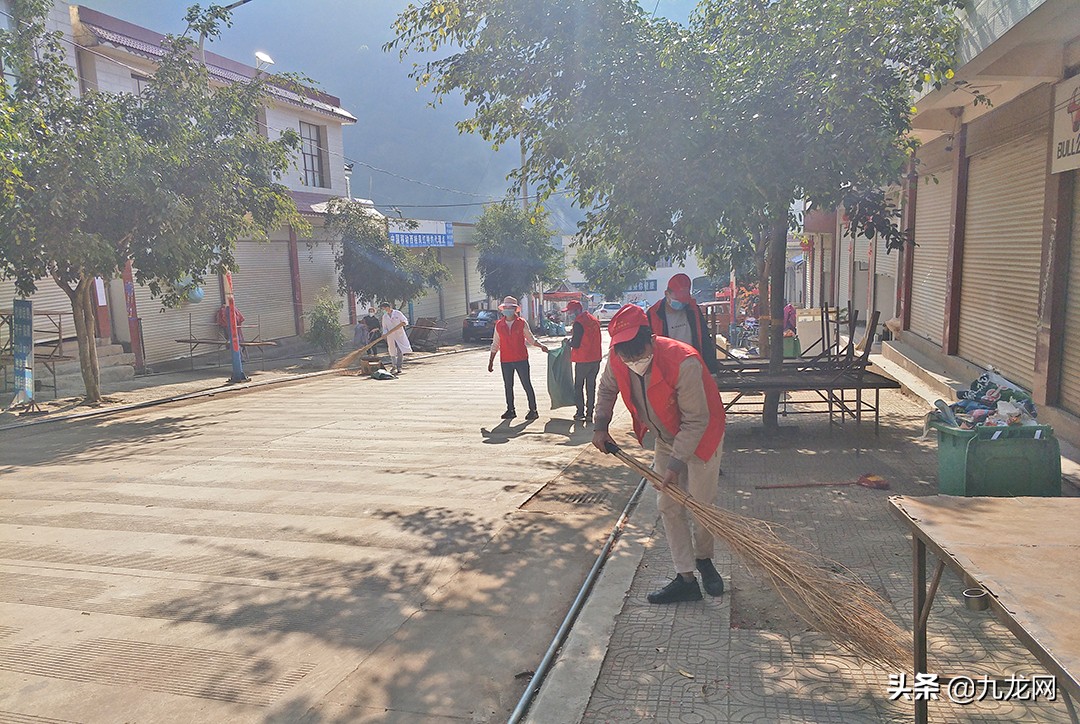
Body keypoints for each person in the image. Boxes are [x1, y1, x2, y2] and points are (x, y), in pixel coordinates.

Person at [593, 304, 726, 604]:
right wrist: (600, 426)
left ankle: (704, 559)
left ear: (650, 339)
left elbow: (696, 420)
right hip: (666, 436)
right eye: (625, 354)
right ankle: (686, 577)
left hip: (703, 436)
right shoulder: (618, 359)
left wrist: (675, 466)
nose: (632, 360)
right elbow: (606, 390)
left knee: (702, 505)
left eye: (637, 353)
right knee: (667, 504)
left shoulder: (683, 361)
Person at [488, 295, 548, 420]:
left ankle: (533, 410)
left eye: (511, 308)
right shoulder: (499, 325)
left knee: (526, 384)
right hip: (506, 360)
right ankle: (510, 410)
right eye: (506, 307)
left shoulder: (521, 323)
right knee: (508, 386)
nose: (508, 310)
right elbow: (495, 344)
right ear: (503, 309)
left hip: (521, 359)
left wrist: (541, 346)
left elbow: (531, 338)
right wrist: (491, 362)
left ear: (515, 309)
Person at [647, 273, 718, 373]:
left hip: (692, 367)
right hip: (666, 370)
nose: (681, 304)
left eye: (684, 301)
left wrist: (711, 370)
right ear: (667, 294)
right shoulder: (653, 314)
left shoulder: (693, 310)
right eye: (678, 300)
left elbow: (704, 339)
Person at [564, 300, 602, 422]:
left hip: (583, 359)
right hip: (595, 358)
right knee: (591, 386)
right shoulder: (593, 319)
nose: (569, 314)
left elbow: (575, 343)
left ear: (576, 311)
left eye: (570, 311)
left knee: (579, 386)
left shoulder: (578, 322)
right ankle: (590, 413)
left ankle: (580, 412)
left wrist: (568, 342)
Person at [380, 301, 411, 373]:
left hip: (399, 334)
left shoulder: (398, 313)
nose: (384, 310)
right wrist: (384, 334)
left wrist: (404, 323)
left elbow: (405, 320)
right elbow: (384, 327)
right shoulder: (385, 316)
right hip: (390, 335)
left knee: (400, 350)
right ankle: (394, 366)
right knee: (392, 350)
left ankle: (399, 367)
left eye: (384, 308)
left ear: (388, 307)